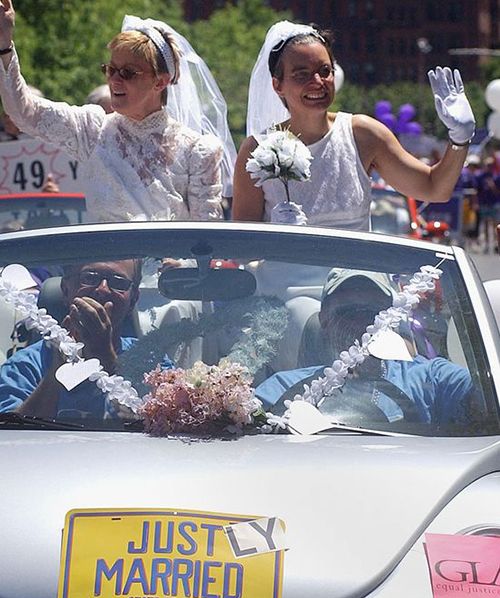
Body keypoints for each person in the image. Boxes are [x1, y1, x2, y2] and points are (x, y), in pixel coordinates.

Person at [0, 3, 236, 221]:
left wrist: (179, 263)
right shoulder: (92, 129)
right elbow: (23, 111)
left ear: (161, 82)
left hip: (169, 267)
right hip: (100, 266)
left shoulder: (197, 150)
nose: (114, 80)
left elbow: (204, 243)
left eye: (128, 73)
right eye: (110, 69)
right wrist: (4, 44)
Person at [232, 21, 476, 230]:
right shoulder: (257, 149)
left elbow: (434, 188)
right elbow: (242, 251)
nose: (317, 82)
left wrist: (459, 139)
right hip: (282, 283)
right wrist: (274, 235)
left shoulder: (363, 134)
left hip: (352, 283)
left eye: (324, 71)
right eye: (301, 74)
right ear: (278, 85)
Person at [255, 269, 478, 427]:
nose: (362, 325)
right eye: (348, 312)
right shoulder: (284, 387)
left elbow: (484, 392)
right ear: (324, 319)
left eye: (373, 313)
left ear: (391, 319)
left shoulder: (430, 379)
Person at [0, 259, 142, 418]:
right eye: (89, 278)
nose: (102, 289)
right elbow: (11, 434)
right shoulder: (24, 366)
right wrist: (57, 370)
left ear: (133, 300)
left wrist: (107, 360)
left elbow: (161, 425)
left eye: (118, 282)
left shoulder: (151, 361)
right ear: (65, 289)